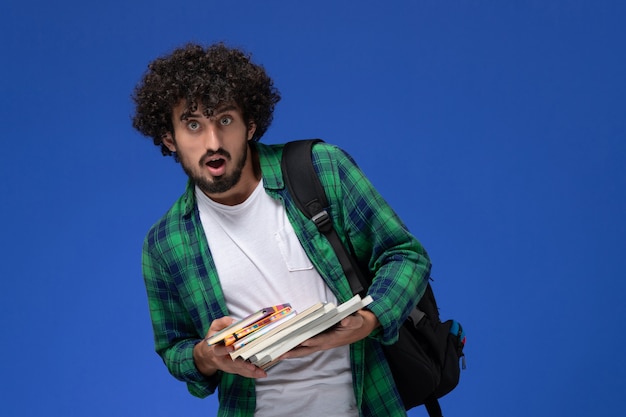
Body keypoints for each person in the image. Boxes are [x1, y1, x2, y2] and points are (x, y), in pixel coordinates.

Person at [132, 42, 431, 417]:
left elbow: (405, 255)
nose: (213, 143)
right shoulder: (164, 243)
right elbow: (174, 348)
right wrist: (207, 355)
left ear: (250, 125)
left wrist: (368, 322)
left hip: (366, 403)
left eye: (225, 120)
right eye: (193, 125)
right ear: (169, 138)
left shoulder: (322, 169)